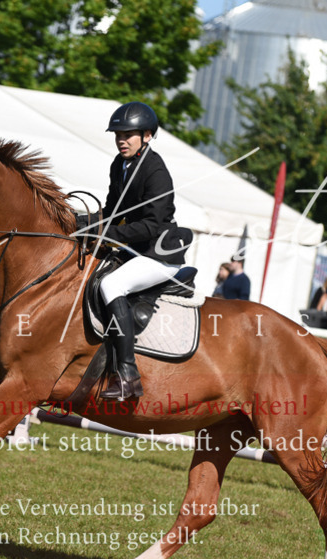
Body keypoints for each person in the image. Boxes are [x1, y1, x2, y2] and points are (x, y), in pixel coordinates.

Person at [96, 101, 193, 401]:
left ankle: (127, 375)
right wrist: (80, 222)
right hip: (134, 250)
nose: (121, 140)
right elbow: (112, 211)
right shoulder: (119, 164)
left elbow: (152, 225)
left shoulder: (156, 171)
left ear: (147, 136)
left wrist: (108, 233)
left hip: (159, 253)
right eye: (118, 135)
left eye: (128, 134)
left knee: (111, 284)